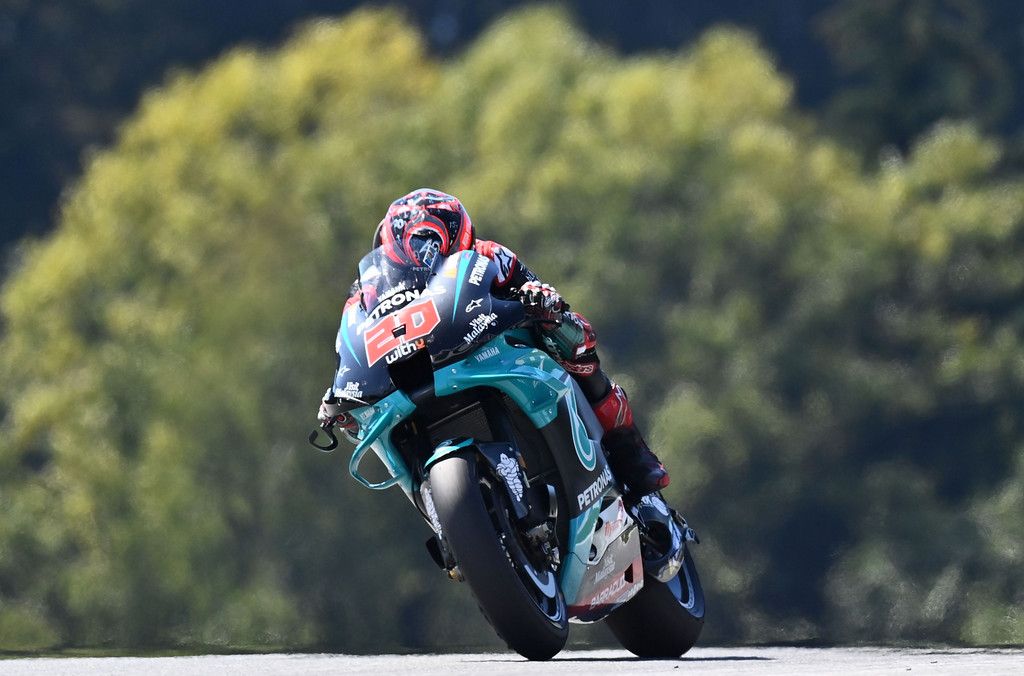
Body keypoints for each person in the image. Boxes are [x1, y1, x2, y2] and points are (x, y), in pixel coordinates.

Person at [318, 188, 669, 496]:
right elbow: (348, 349)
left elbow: (542, 294)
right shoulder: (362, 298)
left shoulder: (490, 255)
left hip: (488, 349)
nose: (422, 251)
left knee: (575, 339)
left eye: (430, 240)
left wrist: (544, 305)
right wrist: (337, 394)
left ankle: (628, 448)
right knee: (364, 424)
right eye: (412, 243)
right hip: (415, 376)